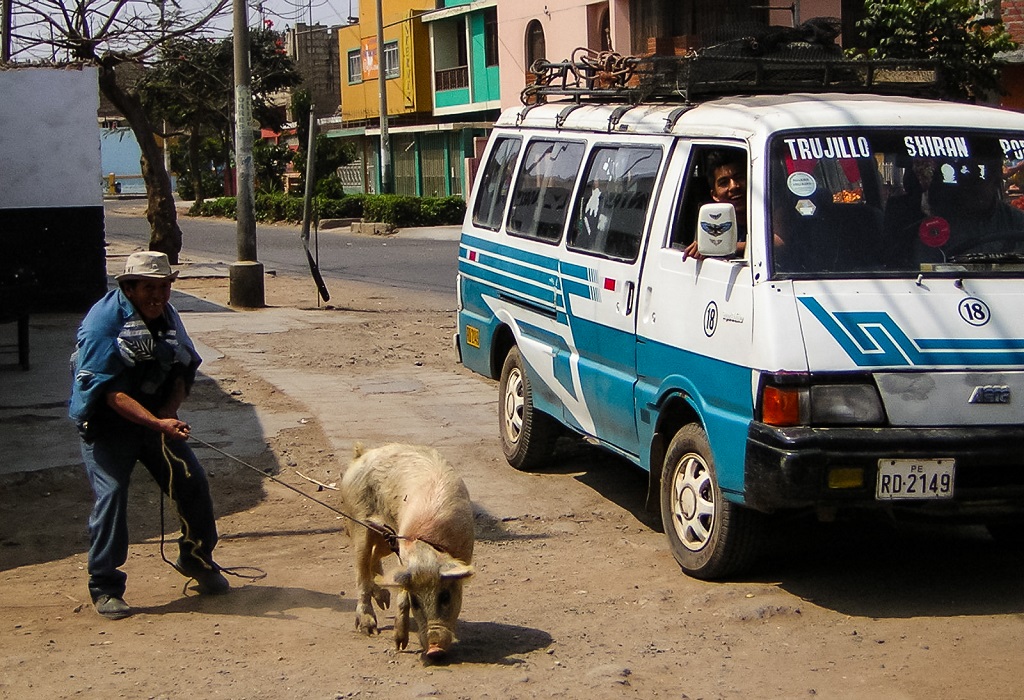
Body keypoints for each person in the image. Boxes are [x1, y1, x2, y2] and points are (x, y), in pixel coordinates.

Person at [69, 251, 228, 620]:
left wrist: (169, 412)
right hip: (108, 425)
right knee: (112, 496)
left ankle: (196, 559)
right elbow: (110, 394)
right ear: (128, 288)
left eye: (164, 287)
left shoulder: (167, 316)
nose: (158, 296)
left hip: (156, 420)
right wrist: (157, 424)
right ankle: (105, 585)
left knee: (192, 482)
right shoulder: (101, 325)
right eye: (149, 288)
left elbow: (183, 368)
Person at [682, 149, 748, 261]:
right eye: (724, 182)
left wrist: (720, 247)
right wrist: (707, 246)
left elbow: (777, 242)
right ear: (714, 195)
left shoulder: (768, 212)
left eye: (739, 177)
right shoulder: (711, 221)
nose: (734, 186)